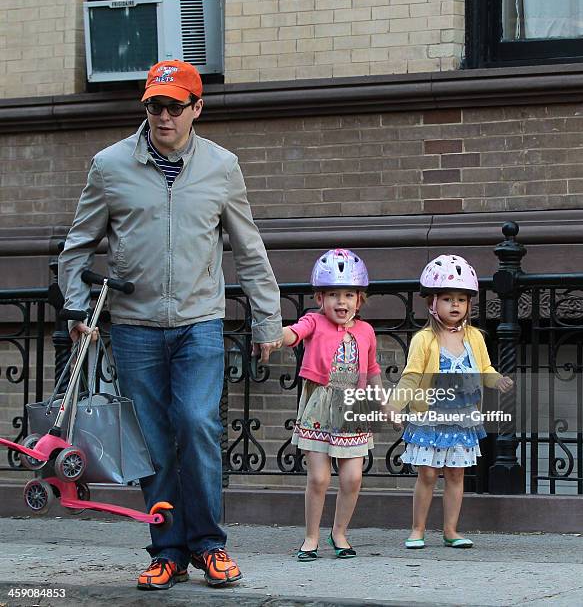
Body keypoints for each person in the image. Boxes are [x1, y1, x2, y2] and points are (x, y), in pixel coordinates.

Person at [58, 59, 283, 590]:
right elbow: (77, 246)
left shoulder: (222, 167)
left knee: (197, 424)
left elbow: (249, 250)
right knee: (154, 442)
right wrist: (76, 307)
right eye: (154, 106)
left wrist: (266, 319)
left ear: (196, 108)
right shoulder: (109, 166)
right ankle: (167, 548)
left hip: (199, 322)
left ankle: (209, 546)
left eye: (173, 106)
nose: (163, 116)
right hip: (133, 326)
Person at [390, 255, 513, 549]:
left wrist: (497, 380)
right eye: (447, 298)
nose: (455, 305)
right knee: (429, 473)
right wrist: (395, 405)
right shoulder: (424, 339)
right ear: (432, 303)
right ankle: (417, 529)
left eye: (461, 299)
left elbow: (485, 369)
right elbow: (411, 376)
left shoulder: (475, 337)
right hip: (430, 415)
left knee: (457, 473)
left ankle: (451, 530)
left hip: (462, 416)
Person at [281, 249, 382, 561]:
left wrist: (385, 404)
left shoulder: (366, 331)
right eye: (333, 295)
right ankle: (311, 537)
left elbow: (373, 370)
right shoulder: (314, 321)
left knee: (352, 478)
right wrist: (274, 332)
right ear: (319, 298)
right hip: (320, 406)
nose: (341, 302)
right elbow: (294, 334)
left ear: (359, 299)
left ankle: (339, 532)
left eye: (349, 294)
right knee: (319, 478)